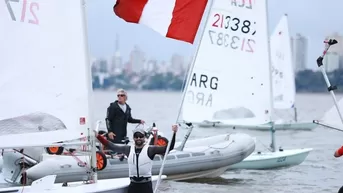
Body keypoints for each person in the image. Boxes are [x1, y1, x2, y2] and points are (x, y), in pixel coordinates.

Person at [95, 124, 178, 193]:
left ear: (144, 138)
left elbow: (168, 148)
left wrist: (174, 133)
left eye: (140, 136)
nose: (138, 138)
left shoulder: (150, 149)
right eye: (136, 136)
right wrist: (98, 136)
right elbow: (111, 146)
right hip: (133, 185)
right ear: (134, 138)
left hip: (146, 186)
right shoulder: (127, 149)